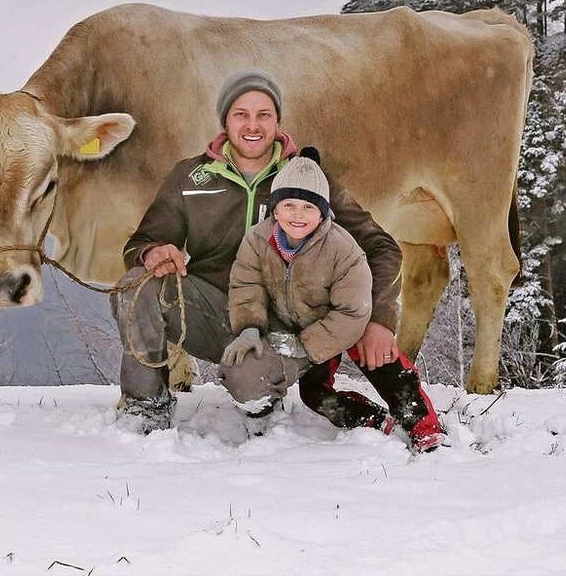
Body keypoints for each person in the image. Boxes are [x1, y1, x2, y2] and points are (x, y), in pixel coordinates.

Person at [116, 69, 413, 435]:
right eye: (241, 114)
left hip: (282, 329)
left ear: (277, 121)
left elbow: (381, 247)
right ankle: (146, 408)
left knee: (251, 385)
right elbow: (140, 244)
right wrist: (151, 252)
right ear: (225, 120)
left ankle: (263, 388)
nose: (252, 125)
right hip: (209, 311)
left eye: (264, 115)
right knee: (136, 284)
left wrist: (380, 318)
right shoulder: (189, 177)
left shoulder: (305, 178)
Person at [222, 152, 446, 452]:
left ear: (323, 213)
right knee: (314, 394)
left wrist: (375, 321)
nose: (298, 214)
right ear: (274, 209)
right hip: (305, 326)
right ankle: (370, 418)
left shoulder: (341, 247)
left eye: (308, 207)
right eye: (288, 205)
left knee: (382, 363)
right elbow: (245, 285)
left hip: (344, 321)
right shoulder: (258, 240)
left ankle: (423, 424)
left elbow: (354, 309)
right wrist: (250, 326)